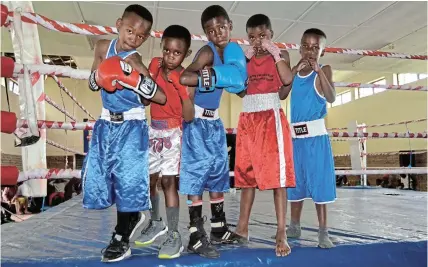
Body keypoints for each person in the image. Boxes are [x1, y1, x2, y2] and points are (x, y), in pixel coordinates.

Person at [81, 4, 166, 262]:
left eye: (141, 36)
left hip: (132, 126)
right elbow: (92, 82)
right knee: (100, 177)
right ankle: (133, 216)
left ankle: (121, 236)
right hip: (106, 124)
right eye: (130, 31)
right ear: (119, 24)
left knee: (128, 180)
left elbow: (154, 98)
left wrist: (137, 76)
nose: (134, 39)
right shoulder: (101, 47)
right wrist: (102, 74)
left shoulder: (137, 60)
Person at [178, 5, 247, 258]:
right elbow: (186, 77)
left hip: (215, 123)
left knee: (218, 174)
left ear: (230, 26)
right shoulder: (208, 52)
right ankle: (196, 234)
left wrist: (245, 81)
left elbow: (240, 89)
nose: (218, 33)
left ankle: (218, 228)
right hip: (196, 123)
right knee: (196, 176)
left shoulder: (231, 56)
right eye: (211, 30)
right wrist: (209, 77)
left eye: (221, 27)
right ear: (206, 34)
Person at [233, 14, 295, 257]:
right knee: (246, 176)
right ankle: (242, 228)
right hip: (248, 116)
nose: (257, 41)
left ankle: (282, 231)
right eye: (252, 37)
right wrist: (242, 62)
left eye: (263, 36)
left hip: (271, 116)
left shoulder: (281, 56)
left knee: (278, 177)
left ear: (271, 34)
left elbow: (286, 84)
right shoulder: (245, 58)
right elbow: (239, 91)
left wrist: (275, 52)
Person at [134, 25, 194, 260]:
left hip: (174, 133)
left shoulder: (187, 77)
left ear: (186, 54)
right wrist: (147, 77)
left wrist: (181, 90)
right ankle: (156, 222)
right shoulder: (155, 66)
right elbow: (145, 101)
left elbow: (189, 116)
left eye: (176, 53)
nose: (170, 56)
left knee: (169, 182)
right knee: (150, 180)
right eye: (167, 50)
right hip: (153, 131)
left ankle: (174, 234)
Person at [285, 28, 336, 249]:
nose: (310, 50)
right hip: (296, 138)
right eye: (306, 45)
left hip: (316, 139)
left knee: (319, 184)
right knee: (295, 184)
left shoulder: (324, 69)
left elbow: (331, 97)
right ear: (299, 47)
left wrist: (319, 72)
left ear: (322, 52)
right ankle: (294, 226)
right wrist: (294, 70)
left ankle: (323, 231)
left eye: (316, 47)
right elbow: (281, 93)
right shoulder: (294, 73)